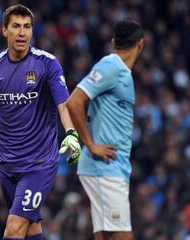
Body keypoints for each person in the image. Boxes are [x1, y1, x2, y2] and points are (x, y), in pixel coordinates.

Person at [0, 4, 81, 240]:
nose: (22, 33)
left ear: (32, 31)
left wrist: (71, 133)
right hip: (6, 162)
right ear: (5, 30)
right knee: (30, 227)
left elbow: (63, 104)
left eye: (27, 27)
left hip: (39, 163)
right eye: (16, 27)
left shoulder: (46, 63)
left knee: (13, 227)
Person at [66, 19, 144, 240]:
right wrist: (90, 144)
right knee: (122, 236)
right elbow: (74, 101)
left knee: (105, 235)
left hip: (112, 167)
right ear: (141, 44)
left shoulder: (120, 72)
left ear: (113, 41)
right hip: (104, 167)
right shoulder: (111, 66)